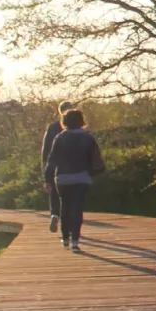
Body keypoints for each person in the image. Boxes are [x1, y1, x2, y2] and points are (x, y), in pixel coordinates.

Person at [43, 107, 104, 252]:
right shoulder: (88, 138)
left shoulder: (60, 137)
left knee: (65, 206)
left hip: (63, 179)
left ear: (65, 122)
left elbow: (52, 160)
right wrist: (93, 173)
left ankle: (65, 238)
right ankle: (75, 241)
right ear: (82, 121)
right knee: (77, 209)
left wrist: (47, 179)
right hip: (81, 178)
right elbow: (95, 158)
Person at [40, 102, 72, 233]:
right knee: (69, 194)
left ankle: (54, 214)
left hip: (54, 164)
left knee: (53, 191)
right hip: (71, 166)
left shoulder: (53, 127)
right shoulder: (75, 128)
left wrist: (44, 164)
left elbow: (46, 147)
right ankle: (68, 221)